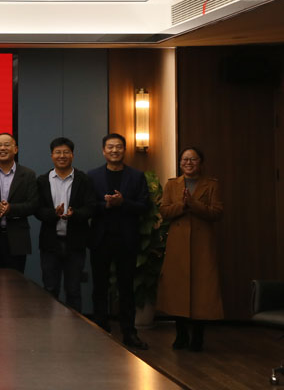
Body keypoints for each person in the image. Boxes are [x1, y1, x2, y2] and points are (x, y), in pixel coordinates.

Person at [157, 146, 224, 352]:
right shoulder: (172, 184)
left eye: (193, 159)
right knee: (177, 289)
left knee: (202, 291)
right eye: (185, 159)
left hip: (202, 245)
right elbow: (164, 211)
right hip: (178, 245)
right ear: (180, 163)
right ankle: (181, 335)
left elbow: (217, 212)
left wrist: (194, 204)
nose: (188, 163)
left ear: (200, 163)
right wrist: (183, 206)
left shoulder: (211, 184)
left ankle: (198, 336)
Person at [88, 133, 150, 349]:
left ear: (125, 150)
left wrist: (123, 202)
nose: (114, 150)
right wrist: (105, 205)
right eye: (110, 147)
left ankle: (129, 333)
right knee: (99, 287)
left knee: (126, 288)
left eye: (119, 147)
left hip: (126, 239)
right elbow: (88, 206)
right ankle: (100, 329)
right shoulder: (92, 176)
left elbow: (144, 206)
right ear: (103, 151)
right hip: (100, 239)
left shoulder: (137, 176)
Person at [35, 137, 95, 313]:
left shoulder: (83, 179)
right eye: (58, 152)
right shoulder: (42, 180)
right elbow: (37, 210)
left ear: (72, 155)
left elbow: (91, 207)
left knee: (73, 290)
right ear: (52, 155)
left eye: (66, 152)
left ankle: (75, 328)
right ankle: (49, 327)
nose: (62, 156)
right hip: (49, 244)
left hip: (75, 244)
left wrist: (74, 214)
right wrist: (54, 214)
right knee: (50, 289)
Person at [0, 132, 38, 273]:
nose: (2, 148)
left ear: (15, 149)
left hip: (17, 239)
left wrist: (11, 209)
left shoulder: (28, 175)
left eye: (7, 145)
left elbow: (33, 204)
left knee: (15, 282)